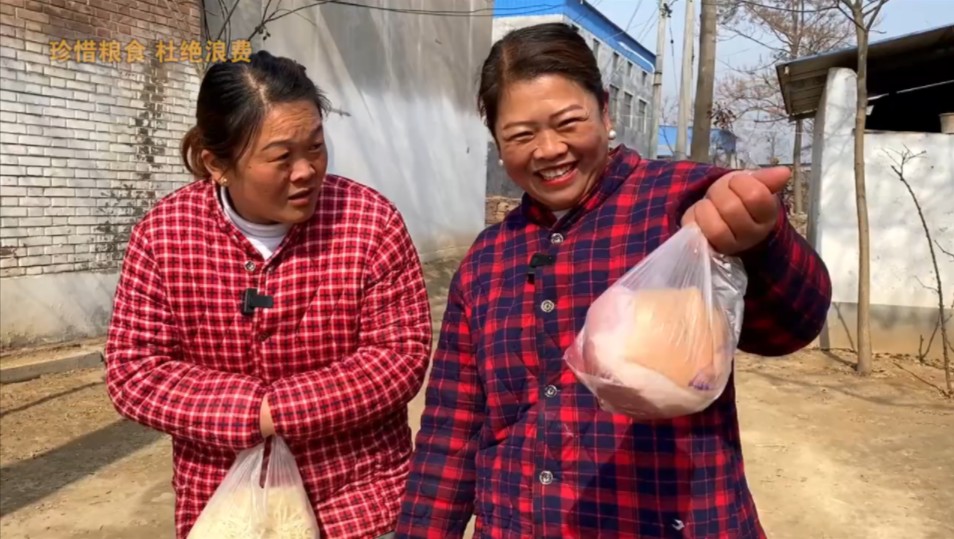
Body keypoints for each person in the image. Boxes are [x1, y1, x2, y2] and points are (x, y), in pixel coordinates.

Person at [396, 23, 832, 538]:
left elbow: (790, 326)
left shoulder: (680, 207)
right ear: (495, 140)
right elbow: (453, 429)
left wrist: (762, 239)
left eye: (567, 122)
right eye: (520, 135)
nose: (548, 149)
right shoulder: (487, 260)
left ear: (605, 111)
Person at [103, 50, 431, 539]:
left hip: (359, 501)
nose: (305, 171)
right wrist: (250, 412)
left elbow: (398, 355)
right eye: (281, 157)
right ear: (217, 163)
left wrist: (282, 411)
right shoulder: (165, 235)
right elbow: (134, 370)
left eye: (315, 147)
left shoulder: (368, 221)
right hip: (225, 506)